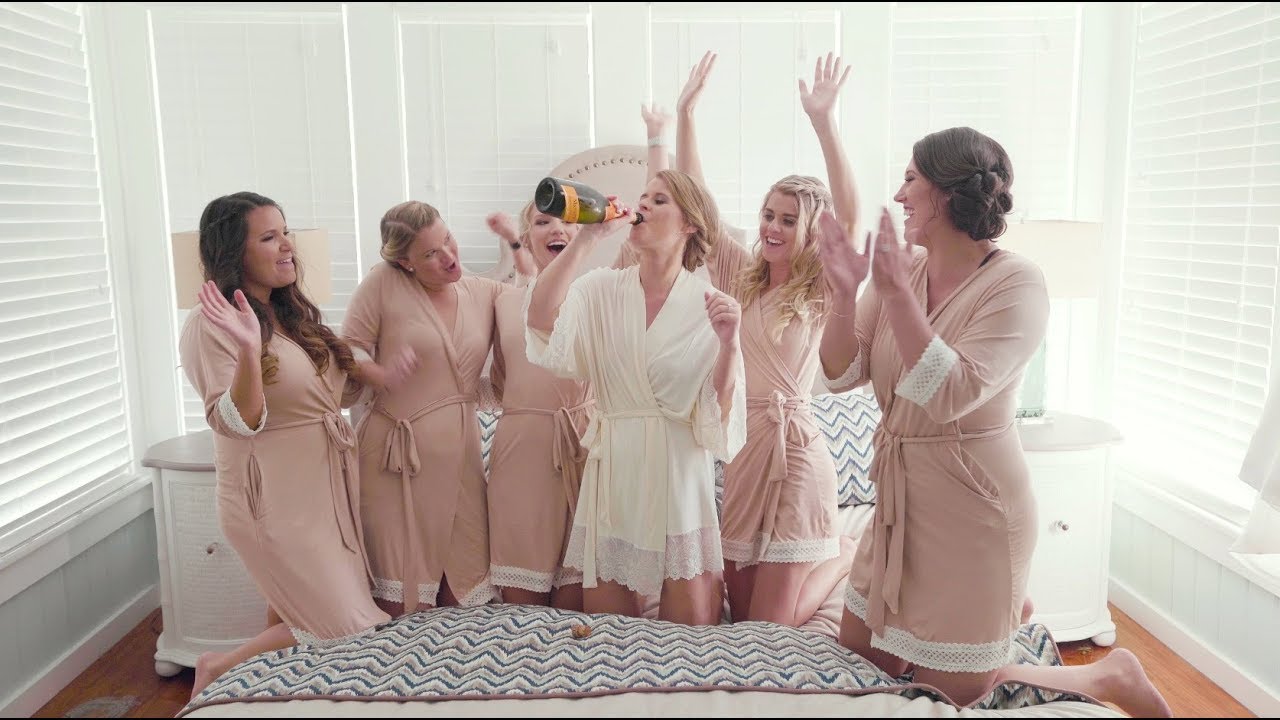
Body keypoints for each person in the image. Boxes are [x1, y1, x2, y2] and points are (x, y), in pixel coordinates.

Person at [818, 128, 1171, 716]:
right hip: (899, 509)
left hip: (972, 513)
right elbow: (839, 372)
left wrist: (897, 297)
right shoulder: (905, 269)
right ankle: (1005, 622)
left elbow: (949, 393)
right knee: (864, 662)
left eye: (910, 180)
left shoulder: (1017, 284)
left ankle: (1106, 675)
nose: (899, 196)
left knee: (952, 693)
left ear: (947, 193)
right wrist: (842, 294)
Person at [632, 52, 858, 626]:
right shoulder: (742, 275)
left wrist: (825, 124)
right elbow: (698, 202)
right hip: (743, 451)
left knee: (768, 627)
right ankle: (831, 555)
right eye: (768, 214)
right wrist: (686, 113)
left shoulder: (819, 285)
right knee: (737, 608)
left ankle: (841, 556)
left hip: (795, 452)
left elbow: (850, 218)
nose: (772, 227)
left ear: (811, 231)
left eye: (788, 220)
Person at [179, 192, 389, 698]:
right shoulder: (211, 325)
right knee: (342, 623)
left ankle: (274, 697)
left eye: (286, 232)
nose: (288, 245)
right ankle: (218, 666)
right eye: (269, 237)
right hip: (270, 500)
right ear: (235, 252)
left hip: (322, 495)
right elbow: (234, 421)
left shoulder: (288, 314)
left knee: (296, 613)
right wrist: (248, 350)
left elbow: (333, 394)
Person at [525, 169, 746, 625]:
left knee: (688, 640)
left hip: (678, 474)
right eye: (642, 196)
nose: (642, 204)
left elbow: (718, 411)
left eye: (660, 200)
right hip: (616, 472)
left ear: (690, 224)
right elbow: (540, 319)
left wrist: (730, 345)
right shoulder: (600, 289)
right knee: (608, 634)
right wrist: (586, 241)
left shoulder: (711, 304)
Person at [343, 200, 502, 616]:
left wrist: (516, 241)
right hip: (395, 464)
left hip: (462, 461)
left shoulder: (481, 291)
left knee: (465, 599)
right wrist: (379, 373)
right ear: (405, 262)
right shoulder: (383, 282)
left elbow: (534, 297)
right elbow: (349, 348)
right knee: (400, 605)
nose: (449, 257)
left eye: (448, 239)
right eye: (431, 253)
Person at [484, 206, 592, 609]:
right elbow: (500, 382)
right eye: (543, 222)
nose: (557, 228)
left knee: (575, 603)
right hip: (521, 453)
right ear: (527, 237)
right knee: (521, 602)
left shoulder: (601, 296)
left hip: (585, 448)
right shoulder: (503, 302)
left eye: (568, 221)